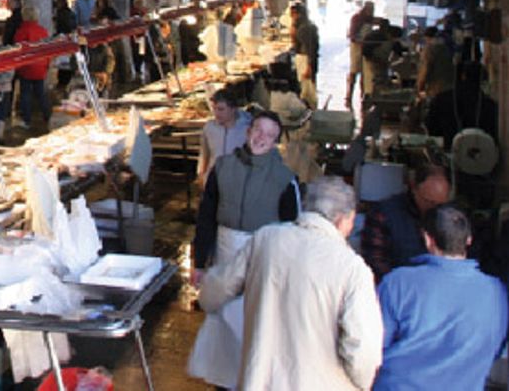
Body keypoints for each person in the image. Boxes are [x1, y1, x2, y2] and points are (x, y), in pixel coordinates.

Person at [199, 176, 382, 391]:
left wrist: (205, 299)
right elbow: (363, 347)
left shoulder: (266, 238)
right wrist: (362, 384)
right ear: (343, 219)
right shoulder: (352, 268)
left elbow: (216, 289)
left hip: (259, 381)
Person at [188, 110, 299, 389]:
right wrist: (198, 261)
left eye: (270, 135)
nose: (262, 138)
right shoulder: (223, 167)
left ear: (276, 142)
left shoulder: (285, 178)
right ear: (249, 131)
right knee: (223, 321)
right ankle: (222, 381)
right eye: (258, 131)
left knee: (257, 323)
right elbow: (206, 217)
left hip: (264, 254)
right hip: (225, 252)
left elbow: (294, 228)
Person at [374, 203, 509, 391]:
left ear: (427, 239)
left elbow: (372, 348)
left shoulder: (397, 283)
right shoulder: (496, 291)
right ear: (468, 240)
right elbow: (496, 349)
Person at [361, 164, 452, 282]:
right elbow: (374, 260)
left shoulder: (450, 216)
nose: (434, 208)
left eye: (440, 204)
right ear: (414, 188)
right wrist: (403, 286)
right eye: (429, 201)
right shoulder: (384, 214)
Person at [196, 85, 253, 187]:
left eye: (221, 109)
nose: (216, 113)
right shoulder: (209, 128)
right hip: (215, 181)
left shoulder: (248, 128)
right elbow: (205, 153)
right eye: (214, 109)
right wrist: (202, 174)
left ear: (233, 109)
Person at [13, 5, 51, 129]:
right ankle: (47, 116)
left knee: (25, 94)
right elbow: (48, 49)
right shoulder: (43, 31)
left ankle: (27, 120)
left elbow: (17, 50)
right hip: (41, 65)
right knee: (40, 93)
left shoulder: (21, 31)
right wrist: (47, 64)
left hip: (26, 67)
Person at [346, 1, 376, 110]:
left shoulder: (370, 19)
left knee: (365, 73)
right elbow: (352, 35)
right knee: (354, 71)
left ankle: (364, 95)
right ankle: (349, 95)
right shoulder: (356, 18)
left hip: (366, 48)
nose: (371, 12)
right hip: (356, 48)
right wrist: (360, 41)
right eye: (369, 10)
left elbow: (380, 22)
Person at [289, 2, 319, 107]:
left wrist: (309, 66)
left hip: (305, 59)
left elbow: (310, 48)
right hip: (305, 59)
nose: (292, 16)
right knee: (307, 88)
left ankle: (310, 111)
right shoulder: (305, 25)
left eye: (293, 14)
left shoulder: (304, 28)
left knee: (307, 91)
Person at [416, 26, 455, 102]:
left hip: (435, 88)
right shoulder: (446, 48)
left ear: (426, 37)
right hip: (450, 87)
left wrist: (419, 87)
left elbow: (425, 70)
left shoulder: (429, 49)